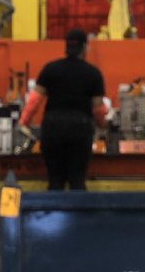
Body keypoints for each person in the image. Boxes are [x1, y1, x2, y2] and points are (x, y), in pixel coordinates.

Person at [18, 28, 108, 190]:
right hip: (80, 130)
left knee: (55, 181)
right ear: (84, 48)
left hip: (53, 128)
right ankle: (78, 206)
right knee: (77, 180)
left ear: (66, 47)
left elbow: (34, 101)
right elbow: (98, 108)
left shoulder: (50, 69)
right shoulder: (93, 73)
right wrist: (103, 125)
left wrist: (24, 122)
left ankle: (55, 205)